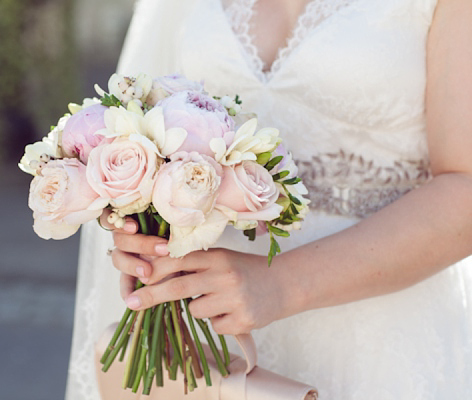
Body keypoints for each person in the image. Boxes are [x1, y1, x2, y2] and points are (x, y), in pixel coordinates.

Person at [66, 0, 472, 398]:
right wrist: (144, 223)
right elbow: (152, 115)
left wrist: (280, 284)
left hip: (381, 331)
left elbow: (465, 186)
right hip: (212, 327)